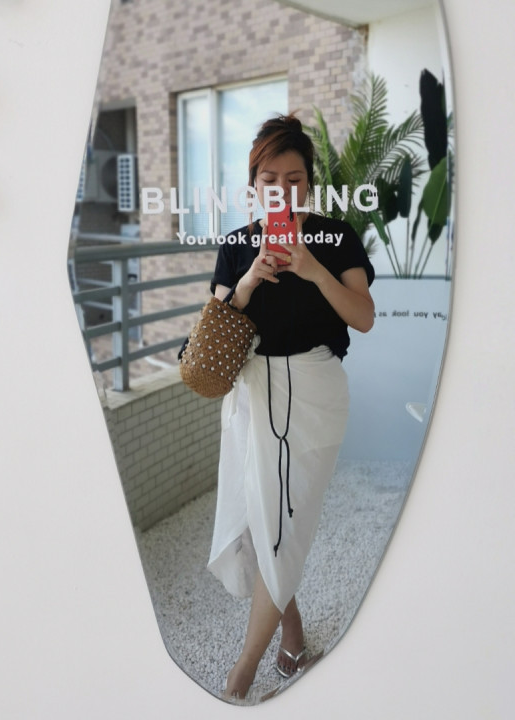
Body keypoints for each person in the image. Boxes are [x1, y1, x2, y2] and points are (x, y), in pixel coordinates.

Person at [207, 114, 375, 700]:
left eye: (295, 179)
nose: (282, 190)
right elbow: (216, 326)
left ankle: (240, 676)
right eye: (269, 179)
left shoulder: (335, 238)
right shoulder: (237, 246)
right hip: (252, 396)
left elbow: (364, 316)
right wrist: (248, 282)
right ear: (253, 184)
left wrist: (312, 268)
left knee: (287, 524)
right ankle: (293, 635)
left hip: (315, 395)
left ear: (310, 183)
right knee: (265, 524)